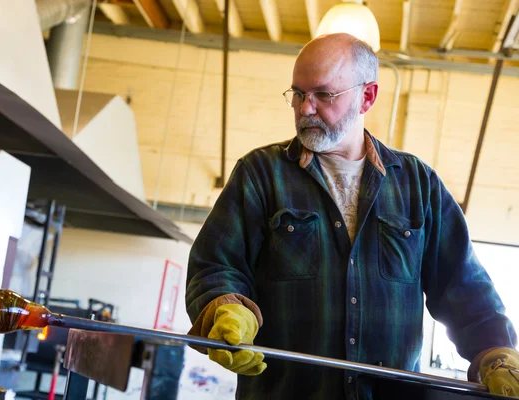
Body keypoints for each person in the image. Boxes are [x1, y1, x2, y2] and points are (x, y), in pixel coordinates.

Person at [185, 33, 519, 399]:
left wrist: (495, 352)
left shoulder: (418, 186)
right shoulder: (261, 174)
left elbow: (464, 287)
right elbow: (216, 265)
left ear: (368, 96)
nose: (305, 108)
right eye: (297, 93)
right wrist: (227, 308)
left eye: (323, 95)